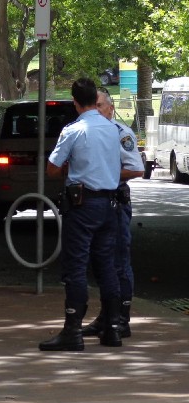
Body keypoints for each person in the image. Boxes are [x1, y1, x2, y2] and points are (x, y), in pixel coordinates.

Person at [39, 77, 122, 351]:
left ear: (75, 103)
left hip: (82, 205)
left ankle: (72, 331)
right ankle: (112, 329)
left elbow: (52, 168)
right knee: (107, 267)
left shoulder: (73, 130)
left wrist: (71, 167)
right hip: (109, 204)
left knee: (76, 268)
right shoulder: (112, 129)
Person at [81, 88, 144, 339]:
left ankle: (120, 318)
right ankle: (107, 315)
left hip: (115, 202)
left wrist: (102, 175)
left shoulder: (120, 133)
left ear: (111, 108)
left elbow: (136, 168)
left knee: (118, 260)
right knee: (100, 262)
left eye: (100, 106)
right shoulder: (88, 131)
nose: (96, 110)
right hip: (95, 203)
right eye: (93, 106)